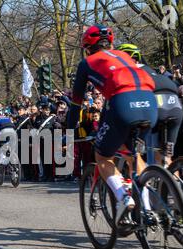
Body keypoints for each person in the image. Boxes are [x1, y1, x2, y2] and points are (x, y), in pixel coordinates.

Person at [68, 25, 158, 227]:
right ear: (111, 43)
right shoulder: (124, 56)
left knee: (102, 156)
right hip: (150, 103)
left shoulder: (87, 63)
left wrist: (69, 129)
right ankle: (148, 209)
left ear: (87, 48)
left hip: (123, 104)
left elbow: (76, 103)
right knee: (133, 156)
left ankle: (125, 198)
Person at [117, 43, 183, 168]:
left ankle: (144, 185)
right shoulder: (151, 71)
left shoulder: (130, 72)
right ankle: (174, 184)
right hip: (176, 107)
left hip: (156, 107)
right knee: (165, 156)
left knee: (132, 151)